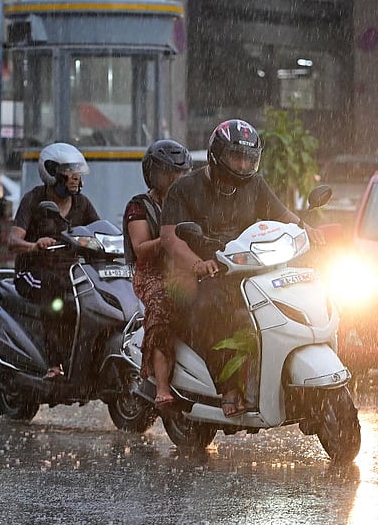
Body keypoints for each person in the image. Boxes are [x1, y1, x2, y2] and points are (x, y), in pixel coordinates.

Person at [160, 119, 321, 417]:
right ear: (217, 154)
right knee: (211, 310)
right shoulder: (184, 189)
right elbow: (171, 239)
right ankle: (228, 386)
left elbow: (283, 215)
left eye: (249, 158)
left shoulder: (255, 184)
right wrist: (199, 264)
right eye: (237, 156)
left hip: (251, 271)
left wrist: (308, 230)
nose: (244, 164)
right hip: (203, 275)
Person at [7, 142, 100, 379]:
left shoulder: (83, 204)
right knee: (55, 297)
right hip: (33, 272)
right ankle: (54, 363)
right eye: (69, 172)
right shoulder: (34, 200)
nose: (75, 178)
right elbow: (13, 241)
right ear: (52, 172)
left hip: (69, 274)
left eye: (77, 172)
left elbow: (99, 231)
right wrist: (34, 245)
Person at [123, 139, 192, 411]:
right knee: (163, 307)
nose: (175, 178)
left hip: (187, 269)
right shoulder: (139, 206)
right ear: (153, 174)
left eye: (180, 173)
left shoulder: (190, 203)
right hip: (153, 275)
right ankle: (161, 385)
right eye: (169, 173)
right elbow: (140, 249)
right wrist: (169, 239)